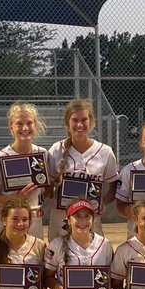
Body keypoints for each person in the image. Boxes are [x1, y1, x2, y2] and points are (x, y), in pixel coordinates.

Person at [47, 99, 119, 242]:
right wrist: (52, 193)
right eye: (75, 120)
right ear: (67, 123)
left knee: (92, 252)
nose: (79, 125)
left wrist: (102, 202)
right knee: (58, 252)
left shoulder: (105, 151)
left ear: (91, 121)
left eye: (84, 120)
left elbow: (114, 186)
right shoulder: (56, 149)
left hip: (90, 216)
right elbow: (47, 186)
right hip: (61, 215)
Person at [0, 104, 52, 242]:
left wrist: (37, 195)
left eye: (29, 123)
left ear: (35, 126)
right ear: (11, 127)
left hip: (33, 219)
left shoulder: (42, 154)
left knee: (34, 254)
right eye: (19, 124)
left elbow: (48, 189)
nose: (25, 128)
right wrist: (15, 198)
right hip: (8, 220)